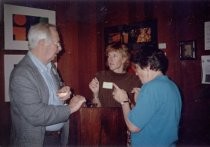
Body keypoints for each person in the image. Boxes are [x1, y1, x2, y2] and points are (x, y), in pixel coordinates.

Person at [9, 22, 86, 147]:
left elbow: (50, 94)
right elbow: (36, 114)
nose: (60, 48)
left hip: (56, 138)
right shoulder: (22, 74)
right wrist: (70, 108)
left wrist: (62, 93)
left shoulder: (50, 67)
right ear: (41, 44)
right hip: (38, 142)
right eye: (57, 44)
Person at [112, 47, 182, 146]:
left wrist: (124, 101)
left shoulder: (150, 87)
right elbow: (156, 119)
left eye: (138, 68)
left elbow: (133, 126)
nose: (136, 73)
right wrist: (139, 102)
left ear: (148, 66)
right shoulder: (172, 86)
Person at [89, 42, 141, 107]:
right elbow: (96, 110)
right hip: (103, 116)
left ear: (124, 59)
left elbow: (136, 111)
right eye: (109, 56)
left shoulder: (134, 80)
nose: (110, 59)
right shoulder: (100, 76)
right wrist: (95, 95)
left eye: (114, 56)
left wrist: (127, 101)